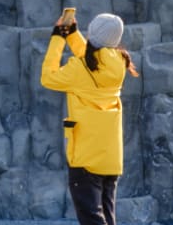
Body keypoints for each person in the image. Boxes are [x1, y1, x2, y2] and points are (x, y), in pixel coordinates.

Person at [40, 12, 139, 225]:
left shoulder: (79, 69)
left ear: (92, 34)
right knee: (106, 218)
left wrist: (58, 37)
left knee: (91, 220)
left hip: (86, 155)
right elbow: (90, 57)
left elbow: (48, 77)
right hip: (110, 156)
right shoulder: (119, 62)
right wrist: (71, 34)